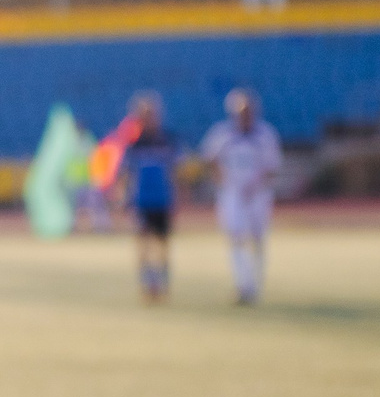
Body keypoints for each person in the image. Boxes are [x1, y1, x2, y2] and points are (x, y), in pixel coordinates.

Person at [199, 89, 283, 305]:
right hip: (233, 194)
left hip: (258, 194)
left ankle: (255, 283)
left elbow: (272, 165)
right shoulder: (223, 134)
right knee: (236, 236)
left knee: (257, 238)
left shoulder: (265, 134)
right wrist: (225, 182)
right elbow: (210, 159)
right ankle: (243, 284)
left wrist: (255, 185)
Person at [112, 92, 182, 302]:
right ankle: (147, 284)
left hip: (162, 199)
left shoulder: (167, 140)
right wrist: (122, 199)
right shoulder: (134, 143)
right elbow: (125, 173)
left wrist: (177, 197)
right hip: (142, 200)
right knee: (143, 244)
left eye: (151, 114)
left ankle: (163, 282)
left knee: (162, 244)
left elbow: (176, 172)